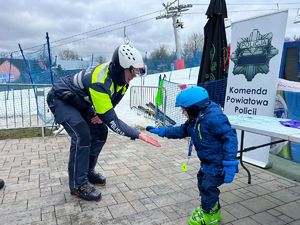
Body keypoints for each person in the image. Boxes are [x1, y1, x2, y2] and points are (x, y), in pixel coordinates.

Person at [47, 44, 160, 202]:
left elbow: (113, 102)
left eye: (137, 72)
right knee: (82, 135)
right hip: (61, 98)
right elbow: (113, 121)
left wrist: (102, 114)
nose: (134, 75)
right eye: (132, 71)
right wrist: (137, 134)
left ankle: (87, 172)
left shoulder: (122, 81)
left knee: (100, 131)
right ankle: (78, 185)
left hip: (79, 100)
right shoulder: (100, 81)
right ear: (121, 68)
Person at [146, 86, 238, 225]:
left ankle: (209, 216)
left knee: (208, 187)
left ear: (194, 107)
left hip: (217, 163)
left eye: (184, 109)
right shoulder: (196, 118)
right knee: (202, 183)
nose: (182, 112)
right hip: (207, 161)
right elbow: (182, 130)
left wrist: (230, 164)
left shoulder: (214, 118)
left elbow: (230, 137)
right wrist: (163, 131)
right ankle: (212, 210)